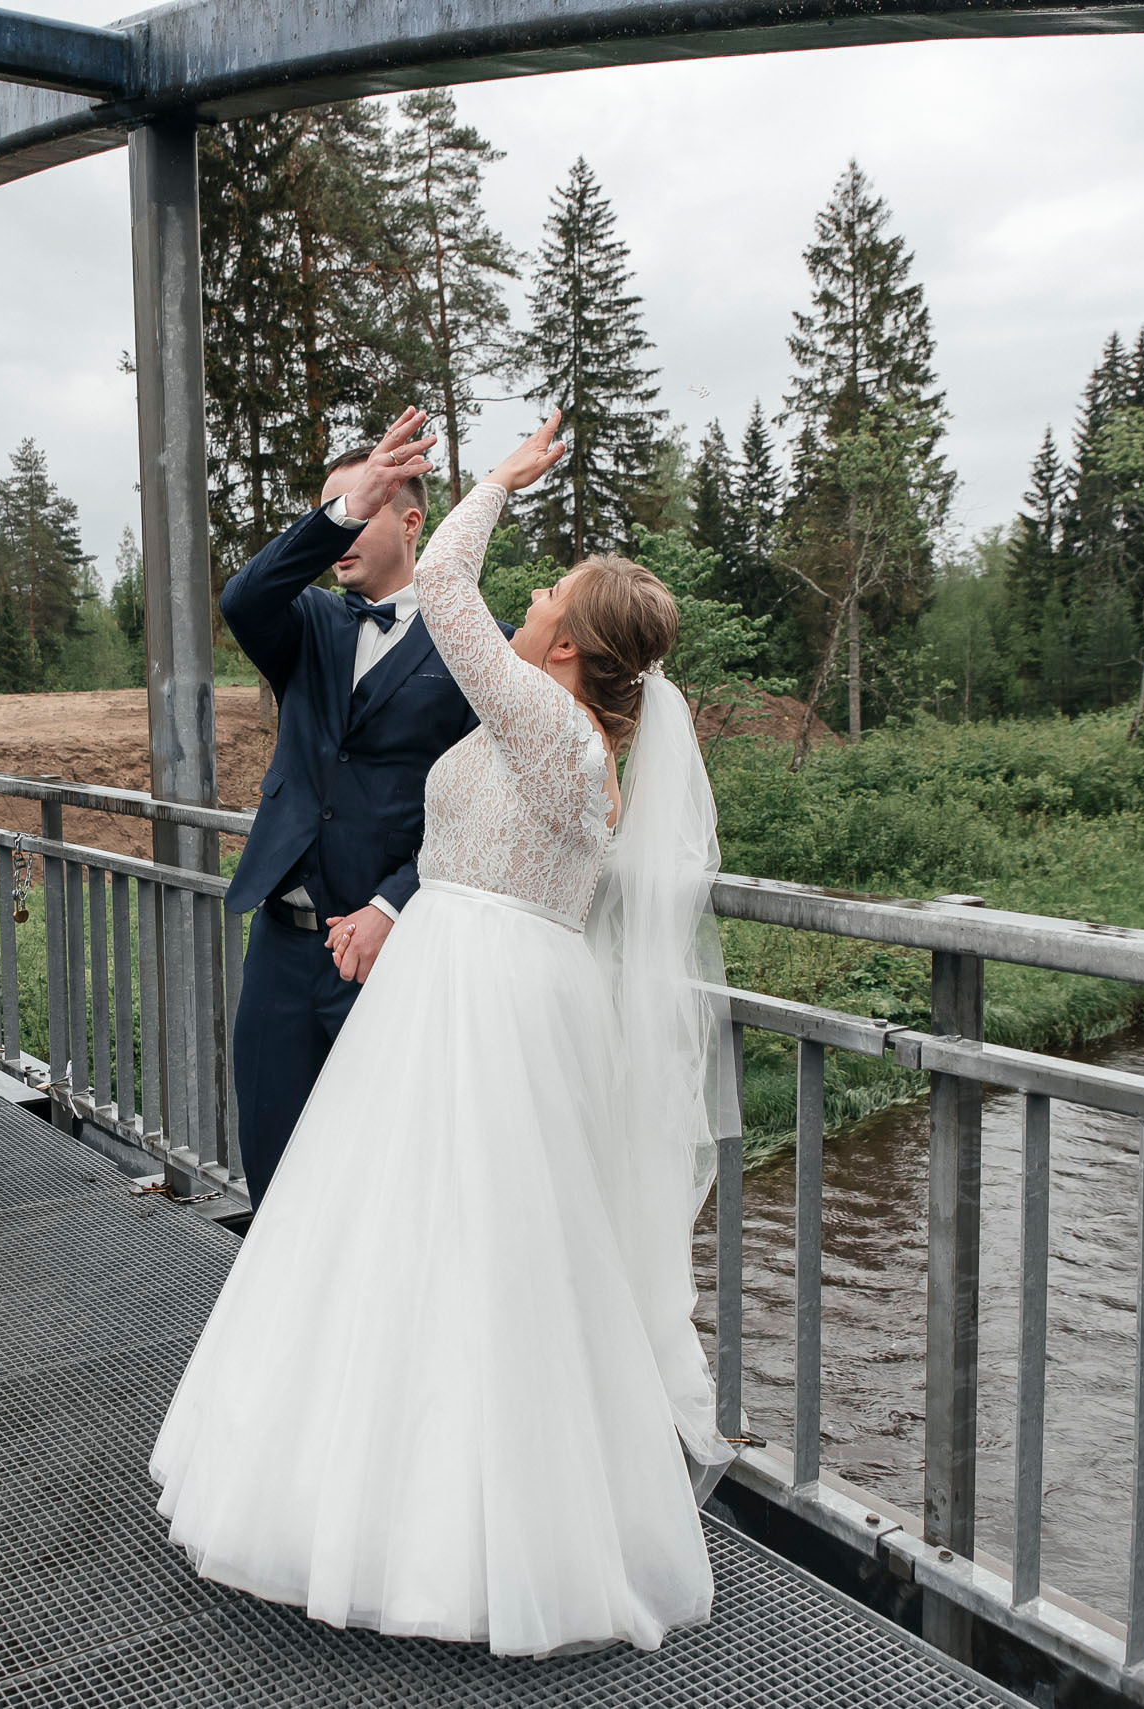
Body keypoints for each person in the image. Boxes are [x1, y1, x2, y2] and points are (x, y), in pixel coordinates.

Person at [152, 412, 733, 1656]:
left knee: (466, 1246)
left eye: (552, 595)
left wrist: (500, 478)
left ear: (566, 644)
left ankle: (447, 1529)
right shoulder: (561, 731)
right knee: (428, 1239)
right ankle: (397, 1482)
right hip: (472, 984)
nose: (535, 595)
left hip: (477, 999)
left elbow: (453, 582)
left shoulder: (542, 721)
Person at [215, 420, 504, 1206]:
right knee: (272, 1162)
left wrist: (392, 903)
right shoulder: (305, 623)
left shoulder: (474, 645)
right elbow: (242, 598)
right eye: (333, 509)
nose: (341, 526)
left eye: (367, 506)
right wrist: (343, 510)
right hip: (281, 946)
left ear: (410, 523)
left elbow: (480, 810)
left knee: (384, 1181)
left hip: (391, 955)